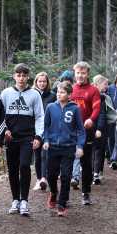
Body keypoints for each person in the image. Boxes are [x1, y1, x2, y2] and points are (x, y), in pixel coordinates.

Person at [1, 63, 44, 216]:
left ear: (28, 77)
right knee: (12, 169)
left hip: (27, 137)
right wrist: (4, 131)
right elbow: (1, 116)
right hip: (11, 138)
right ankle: (15, 200)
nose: (21, 78)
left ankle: (24, 200)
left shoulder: (34, 94)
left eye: (24, 75)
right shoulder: (6, 93)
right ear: (14, 76)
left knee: (25, 166)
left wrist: (38, 136)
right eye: (18, 75)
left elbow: (40, 117)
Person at [43, 81, 85, 216]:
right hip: (53, 146)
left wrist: (79, 146)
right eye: (58, 92)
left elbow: (81, 129)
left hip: (69, 147)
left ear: (69, 95)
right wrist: (46, 140)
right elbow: (46, 127)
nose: (58, 94)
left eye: (62, 92)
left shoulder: (75, 109)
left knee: (66, 176)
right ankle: (54, 192)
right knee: (51, 175)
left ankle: (62, 203)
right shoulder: (50, 107)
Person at [69, 61, 101, 205]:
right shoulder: (71, 89)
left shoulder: (93, 90)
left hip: (86, 130)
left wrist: (91, 120)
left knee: (86, 161)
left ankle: (86, 192)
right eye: (78, 73)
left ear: (87, 74)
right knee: (66, 161)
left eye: (83, 73)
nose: (80, 76)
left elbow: (96, 108)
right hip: (70, 130)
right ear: (74, 74)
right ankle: (64, 195)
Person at [32, 72, 56, 191]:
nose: (42, 83)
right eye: (39, 81)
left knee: (44, 154)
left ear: (47, 83)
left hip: (48, 129)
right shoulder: (31, 94)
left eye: (44, 81)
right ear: (36, 82)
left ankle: (44, 179)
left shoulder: (52, 96)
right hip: (35, 130)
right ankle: (38, 179)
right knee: (37, 156)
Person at [91, 75, 108, 184]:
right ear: (97, 84)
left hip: (99, 128)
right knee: (95, 151)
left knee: (99, 151)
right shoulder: (95, 96)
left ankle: (97, 172)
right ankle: (94, 172)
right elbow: (101, 114)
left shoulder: (103, 96)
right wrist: (99, 128)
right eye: (105, 84)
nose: (107, 86)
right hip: (94, 127)